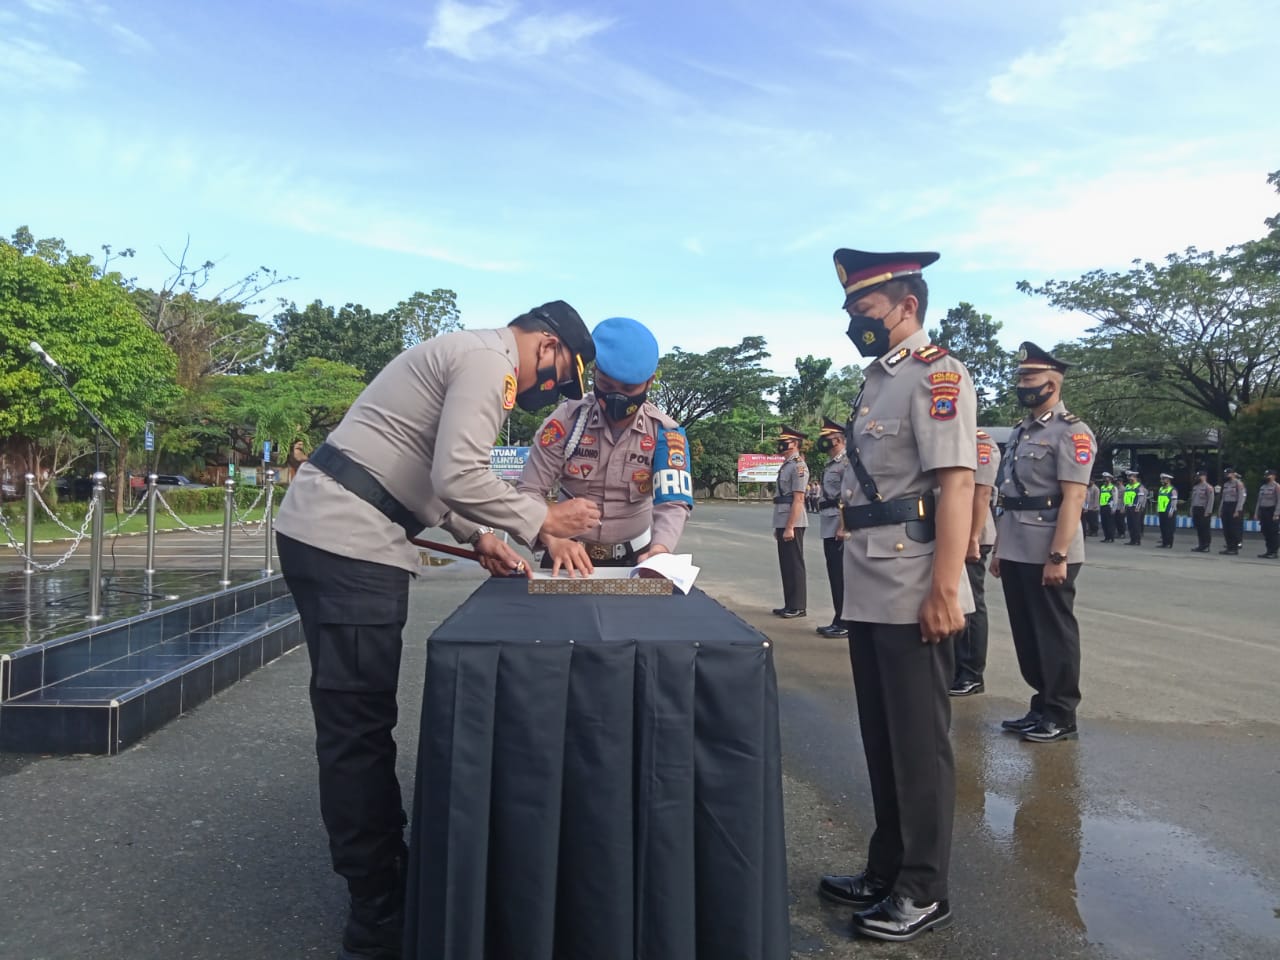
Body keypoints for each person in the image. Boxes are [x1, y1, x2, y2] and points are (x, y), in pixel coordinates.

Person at [274, 301, 603, 960]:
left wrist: (479, 534)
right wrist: (539, 521)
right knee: (357, 729)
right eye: (558, 374)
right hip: (349, 542)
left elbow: (430, 477)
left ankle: (382, 874)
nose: (549, 392)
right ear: (545, 343)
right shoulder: (490, 362)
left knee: (356, 722)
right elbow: (459, 473)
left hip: (341, 529)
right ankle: (376, 912)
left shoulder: (473, 356)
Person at [817, 248, 975, 943]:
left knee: (918, 745)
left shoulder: (936, 375)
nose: (854, 321)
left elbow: (957, 485)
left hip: (915, 581)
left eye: (864, 309)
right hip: (871, 578)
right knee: (882, 740)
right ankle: (887, 867)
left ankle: (924, 887)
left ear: (906, 304)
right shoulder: (876, 381)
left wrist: (947, 587)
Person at [517, 316, 693, 575]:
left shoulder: (664, 433)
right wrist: (552, 539)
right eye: (606, 384)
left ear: (649, 382)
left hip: (635, 559)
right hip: (566, 557)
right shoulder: (566, 422)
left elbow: (673, 502)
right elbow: (528, 491)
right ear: (594, 373)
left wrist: (661, 549)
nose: (616, 396)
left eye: (628, 388)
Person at [990, 341, 1095, 744]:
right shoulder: (1020, 431)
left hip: (1049, 546)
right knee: (1027, 632)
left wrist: (1059, 555)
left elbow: (1074, 497)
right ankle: (1041, 704)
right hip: (1016, 543)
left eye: (1029, 378)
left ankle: (1061, 712)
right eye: (1020, 378)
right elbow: (1010, 497)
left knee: (1053, 632)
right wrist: (999, 548)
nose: (1022, 384)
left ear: (1052, 382)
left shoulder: (1072, 432)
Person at [951, 429, 1000, 697]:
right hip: (950, 531)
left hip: (972, 533)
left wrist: (971, 537)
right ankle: (954, 667)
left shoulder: (980, 441)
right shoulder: (951, 437)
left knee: (971, 604)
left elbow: (982, 493)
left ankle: (971, 673)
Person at [816, 416, 849, 638]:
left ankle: (845, 621)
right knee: (834, 574)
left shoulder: (846, 464)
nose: (824, 442)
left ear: (838, 439)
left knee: (841, 576)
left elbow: (848, 497)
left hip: (838, 524)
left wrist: (844, 527)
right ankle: (839, 618)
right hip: (829, 522)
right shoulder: (832, 464)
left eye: (827, 439)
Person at [772, 425, 809, 617]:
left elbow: (799, 499)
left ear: (794, 443)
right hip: (783, 519)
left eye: (784, 441)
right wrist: (779, 526)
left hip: (793, 522)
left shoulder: (798, 466)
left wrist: (790, 526)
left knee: (794, 564)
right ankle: (789, 604)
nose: (780, 444)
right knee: (786, 564)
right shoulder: (786, 465)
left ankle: (798, 606)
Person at [1219, 466, 1247, 555]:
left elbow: (1241, 498)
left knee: (1234, 528)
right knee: (1226, 528)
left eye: (1228, 473)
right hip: (1226, 506)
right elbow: (1223, 498)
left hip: (1234, 506)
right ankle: (1229, 546)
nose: (1227, 475)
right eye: (1226, 474)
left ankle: (1234, 548)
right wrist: (1221, 509)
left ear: (1233, 474)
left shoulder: (1238, 484)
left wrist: (1237, 510)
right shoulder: (1226, 484)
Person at [1254, 467, 1278, 559]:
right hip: (1263, 511)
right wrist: (1256, 513)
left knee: (1273, 532)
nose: (1266, 477)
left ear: (1274, 476)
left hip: (1272, 511)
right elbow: (1259, 501)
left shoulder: (1276, 487)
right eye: (1266, 475)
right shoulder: (1263, 487)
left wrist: (1277, 513)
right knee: (1265, 531)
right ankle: (1268, 551)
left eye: (1268, 475)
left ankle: (1274, 551)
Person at [1189, 469, 1215, 552]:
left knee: (1205, 529)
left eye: (1199, 476)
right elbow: (1193, 500)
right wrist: (1191, 509)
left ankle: (1206, 545)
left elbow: (1211, 500)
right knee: (1199, 528)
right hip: (1196, 509)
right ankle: (1201, 545)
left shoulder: (1208, 487)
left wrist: (1208, 511)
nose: (1198, 478)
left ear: (1204, 477)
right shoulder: (1195, 487)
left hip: (1203, 510)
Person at [1122, 470, 1147, 545]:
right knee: (1130, 525)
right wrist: (1124, 506)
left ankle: (1137, 540)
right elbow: (1125, 497)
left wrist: (1138, 507)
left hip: (1135, 508)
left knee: (1136, 524)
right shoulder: (1128, 486)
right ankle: (1132, 540)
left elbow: (1141, 498)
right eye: (1128, 477)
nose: (1129, 478)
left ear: (1135, 477)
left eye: (1130, 477)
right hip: (1128, 507)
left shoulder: (1139, 486)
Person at [1155, 473, 1178, 548]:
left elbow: (1174, 502)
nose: (1161, 481)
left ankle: (1169, 543)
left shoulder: (1172, 489)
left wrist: (1171, 511)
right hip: (1162, 511)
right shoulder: (1161, 489)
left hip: (1169, 512)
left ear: (1168, 480)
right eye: (1161, 479)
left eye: (1163, 479)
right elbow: (1159, 500)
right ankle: (1164, 543)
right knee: (1163, 528)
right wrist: (1158, 509)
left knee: (1169, 528)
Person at [1098, 471, 1118, 543]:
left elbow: (1115, 499)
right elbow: (1100, 497)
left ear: (1110, 479)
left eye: (1106, 478)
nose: (1104, 479)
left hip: (1109, 507)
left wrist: (1114, 509)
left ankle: (1111, 538)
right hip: (1103, 506)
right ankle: (1106, 537)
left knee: (1110, 523)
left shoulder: (1113, 488)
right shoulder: (1102, 487)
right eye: (1104, 478)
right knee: (1104, 523)